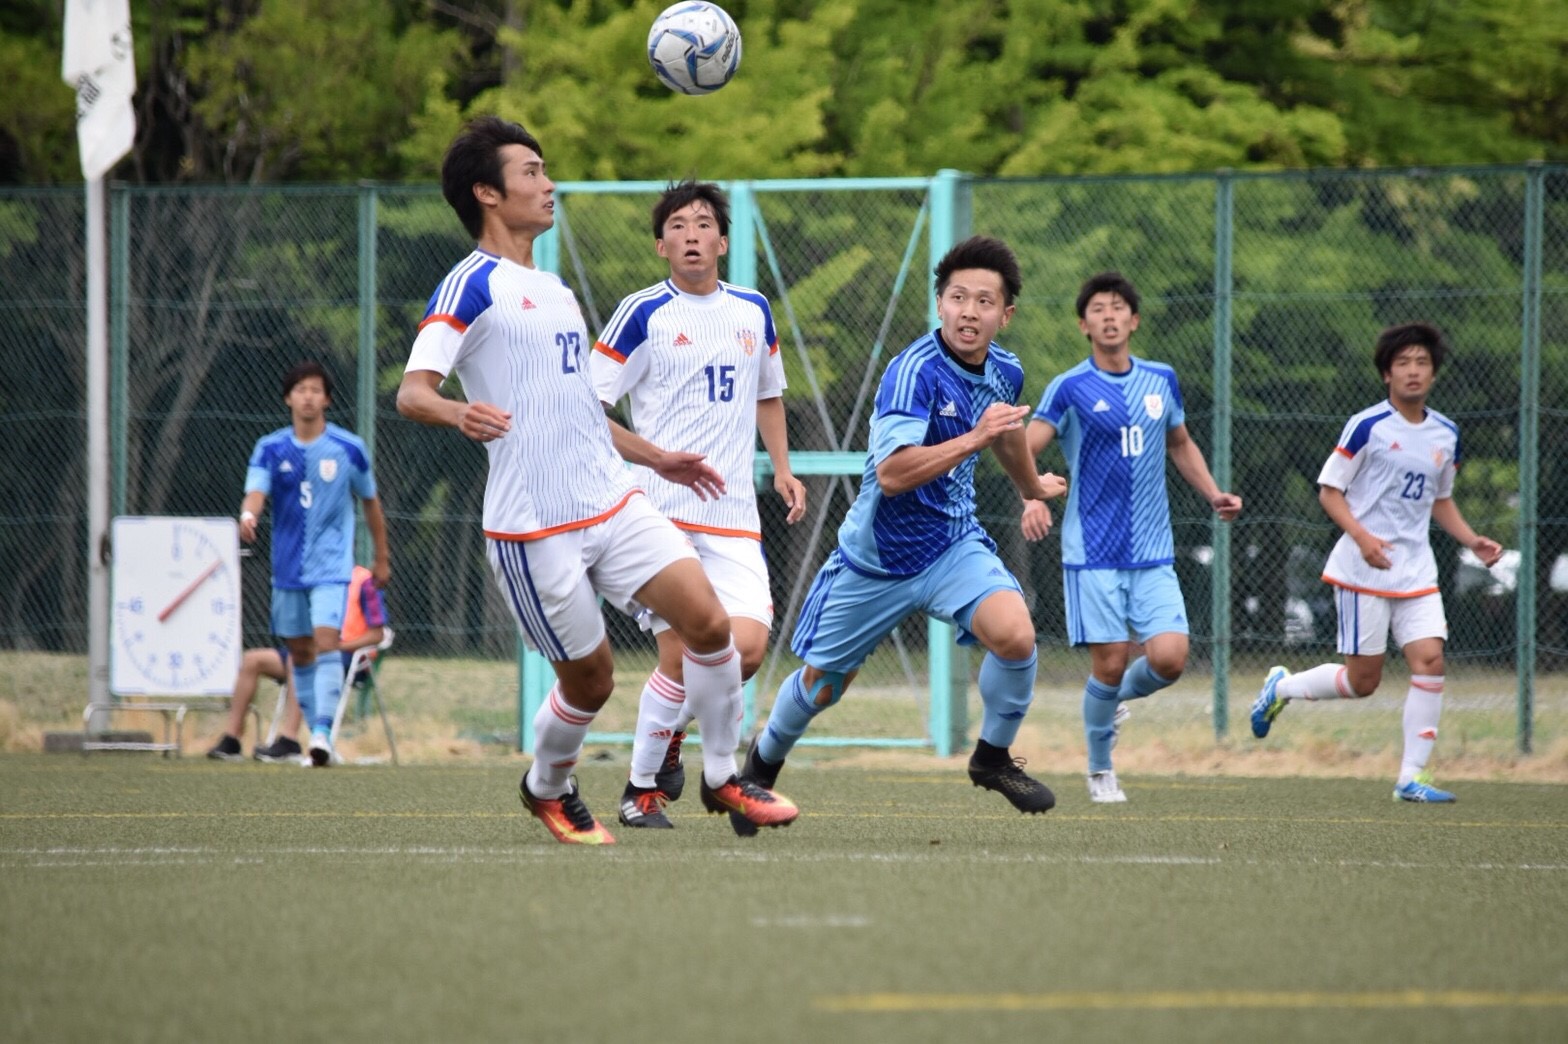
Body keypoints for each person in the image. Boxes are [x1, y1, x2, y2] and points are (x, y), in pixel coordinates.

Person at [395, 116, 797, 845]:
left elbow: (585, 408)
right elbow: (412, 392)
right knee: (593, 682)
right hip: (535, 526)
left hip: (611, 502)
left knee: (710, 626)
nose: (549, 185)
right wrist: (460, 413)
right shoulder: (471, 284)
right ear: (488, 193)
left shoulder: (551, 288)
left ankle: (721, 777)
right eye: (532, 173)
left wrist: (658, 459)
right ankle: (547, 786)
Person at [739, 235, 1067, 817]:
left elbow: (1007, 430)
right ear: (939, 304)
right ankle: (758, 771)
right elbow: (891, 474)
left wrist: (1031, 486)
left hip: (952, 545)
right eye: (958, 297)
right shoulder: (912, 371)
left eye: (985, 301)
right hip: (878, 559)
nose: (970, 311)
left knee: (1016, 635)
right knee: (823, 686)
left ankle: (991, 757)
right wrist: (974, 438)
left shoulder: (1007, 368)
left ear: (1005, 315)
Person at [589, 180, 807, 830]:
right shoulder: (641, 313)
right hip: (660, 517)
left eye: (704, 223)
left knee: (744, 651)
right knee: (683, 658)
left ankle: (671, 743)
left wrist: (786, 470)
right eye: (678, 225)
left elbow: (769, 393)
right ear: (661, 245)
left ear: (724, 241)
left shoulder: (752, 310)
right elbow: (584, 409)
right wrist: (656, 458)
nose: (691, 234)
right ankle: (643, 791)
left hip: (735, 515)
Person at [1249, 322, 1503, 803]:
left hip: (1416, 569)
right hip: (1363, 568)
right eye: (1403, 363)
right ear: (1387, 373)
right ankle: (1281, 688)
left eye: (1421, 363)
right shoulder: (1367, 425)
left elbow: (1439, 499)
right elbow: (1330, 491)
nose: (1413, 371)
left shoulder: (1446, 434)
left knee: (1430, 660)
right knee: (1363, 681)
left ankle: (1411, 778)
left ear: (1433, 373)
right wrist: (1363, 538)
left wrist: (1473, 541)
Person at [1021, 272, 1242, 803]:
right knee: (1111, 660)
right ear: (1084, 324)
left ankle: (1108, 702)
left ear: (1134, 320)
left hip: (1151, 550)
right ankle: (1101, 769)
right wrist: (1031, 495)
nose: (1110, 316)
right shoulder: (1070, 386)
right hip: (1092, 552)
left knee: (1169, 658)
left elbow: (1181, 442)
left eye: (1119, 307)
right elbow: (1024, 445)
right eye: (1098, 308)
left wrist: (1213, 493)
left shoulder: (1161, 379)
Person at [239, 361, 390, 768]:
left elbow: (371, 502)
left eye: (315, 389)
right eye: (300, 389)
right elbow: (255, 492)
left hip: (331, 567)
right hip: (287, 569)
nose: (308, 396)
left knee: (325, 642)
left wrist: (381, 556)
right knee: (299, 653)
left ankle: (321, 735)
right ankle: (310, 735)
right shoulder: (270, 448)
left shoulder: (348, 448)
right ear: (288, 397)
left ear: (327, 399)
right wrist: (248, 517)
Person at [206, 564, 388, 763]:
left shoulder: (363, 580)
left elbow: (377, 634)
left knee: (298, 661)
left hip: (344, 657)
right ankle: (232, 740)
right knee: (252, 660)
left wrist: (337, 646)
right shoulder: (310, 574)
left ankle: (289, 741)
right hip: (309, 648)